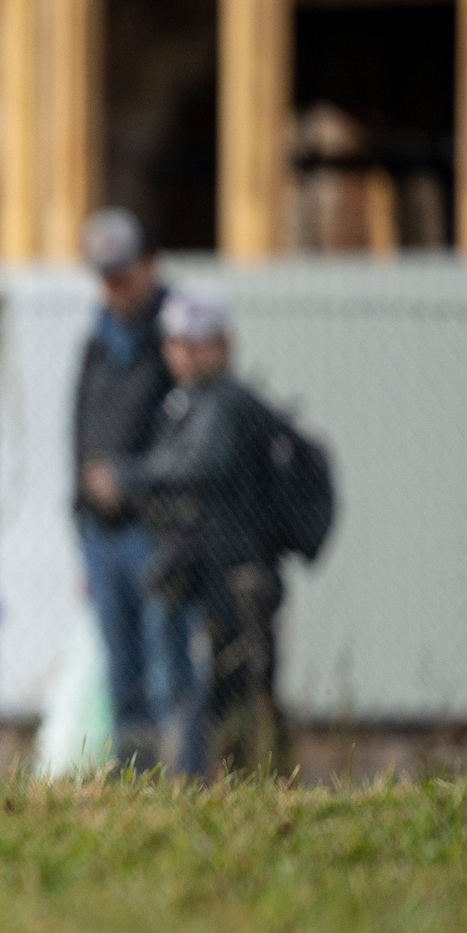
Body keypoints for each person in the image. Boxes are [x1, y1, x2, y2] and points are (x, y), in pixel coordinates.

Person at [82, 288, 286, 777]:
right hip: (202, 570)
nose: (185, 355)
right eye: (176, 343)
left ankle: (226, 783)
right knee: (190, 684)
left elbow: (198, 464)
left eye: (197, 343)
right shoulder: (185, 403)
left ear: (223, 344)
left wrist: (127, 478)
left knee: (232, 693)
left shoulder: (226, 403)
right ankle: (192, 780)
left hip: (236, 575)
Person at [70, 208, 194, 769]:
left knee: (168, 665)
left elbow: (190, 439)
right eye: (105, 275)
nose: (114, 287)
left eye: (123, 273)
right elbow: (78, 435)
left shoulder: (177, 340)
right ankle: (135, 782)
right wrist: (82, 520)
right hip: (101, 533)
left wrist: (130, 479)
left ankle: (187, 779)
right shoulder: (98, 342)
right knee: (122, 671)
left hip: (157, 530)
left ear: (150, 265)